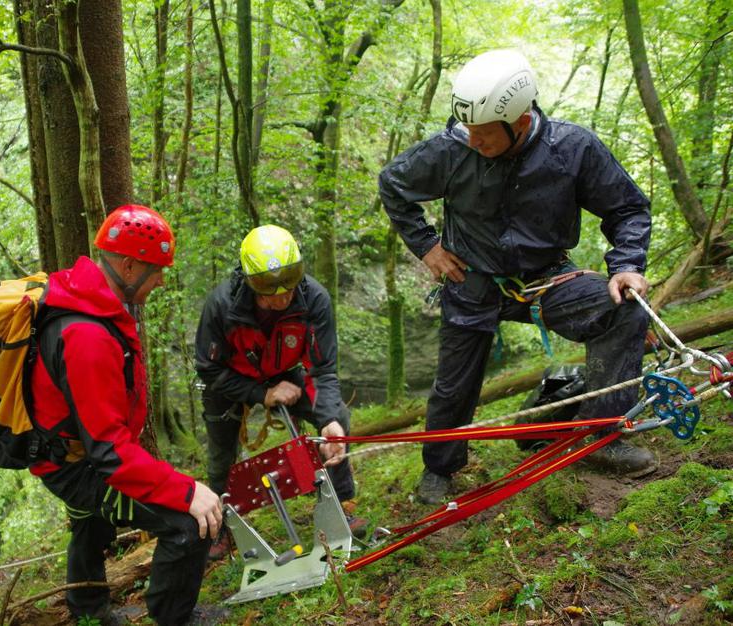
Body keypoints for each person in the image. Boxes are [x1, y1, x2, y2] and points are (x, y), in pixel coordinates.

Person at [378, 49, 657, 505]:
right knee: (454, 384)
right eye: (468, 129)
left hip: (548, 278)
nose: (473, 141)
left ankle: (603, 436)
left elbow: (627, 208)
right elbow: (393, 184)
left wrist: (627, 265)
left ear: (521, 121)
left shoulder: (572, 149)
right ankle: (440, 468)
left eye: (484, 134)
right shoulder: (452, 148)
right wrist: (428, 246)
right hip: (471, 279)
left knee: (622, 311)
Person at [27, 205, 223, 625]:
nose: (161, 280)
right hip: (76, 463)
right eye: (157, 271)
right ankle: (175, 619)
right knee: (187, 525)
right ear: (129, 266)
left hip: (66, 451)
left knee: (91, 522)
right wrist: (185, 491)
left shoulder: (88, 297)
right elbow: (109, 453)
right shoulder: (87, 334)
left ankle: (89, 612)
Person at [195, 224, 367, 560]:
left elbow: (322, 370)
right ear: (249, 280)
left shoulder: (314, 299)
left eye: (289, 281)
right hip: (230, 379)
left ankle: (340, 505)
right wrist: (262, 394)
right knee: (221, 456)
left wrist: (329, 420)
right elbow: (209, 368)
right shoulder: (221, 306)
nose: (282, 295)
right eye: (268, 288)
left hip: (285, 372)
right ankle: (222, 526)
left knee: (336, 421)